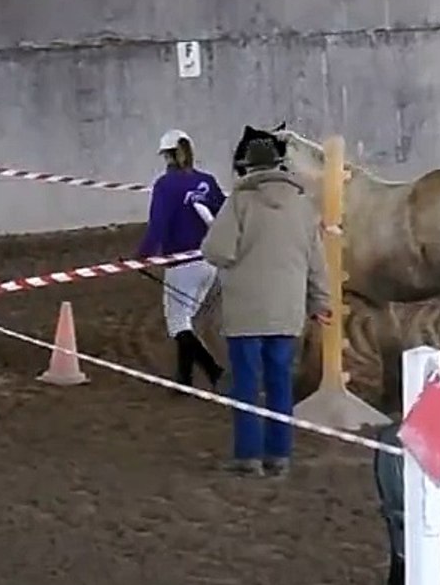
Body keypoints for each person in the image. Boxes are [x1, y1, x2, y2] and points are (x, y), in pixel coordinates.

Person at [201, 133, 330, 478]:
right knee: (280, 382)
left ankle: (248, 456)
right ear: (279, 165)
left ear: (248, 167)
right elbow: (317, 260)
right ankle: (279, 455)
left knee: (245, 382)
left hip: (245, 310)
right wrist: (321, 301)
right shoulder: (303, 205)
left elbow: (217, 251)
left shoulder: (239, 202)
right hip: (287, 309)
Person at [137, 129, 227, 393]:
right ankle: (184, 379)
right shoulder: (207, 181)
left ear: (167, 156)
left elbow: (159, 225)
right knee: (186, 320)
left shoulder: (165, 185)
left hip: (181, 264)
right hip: (209, 262)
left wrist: (143, 255)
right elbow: (223, 214)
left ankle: (212, 369)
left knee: (178, 324)